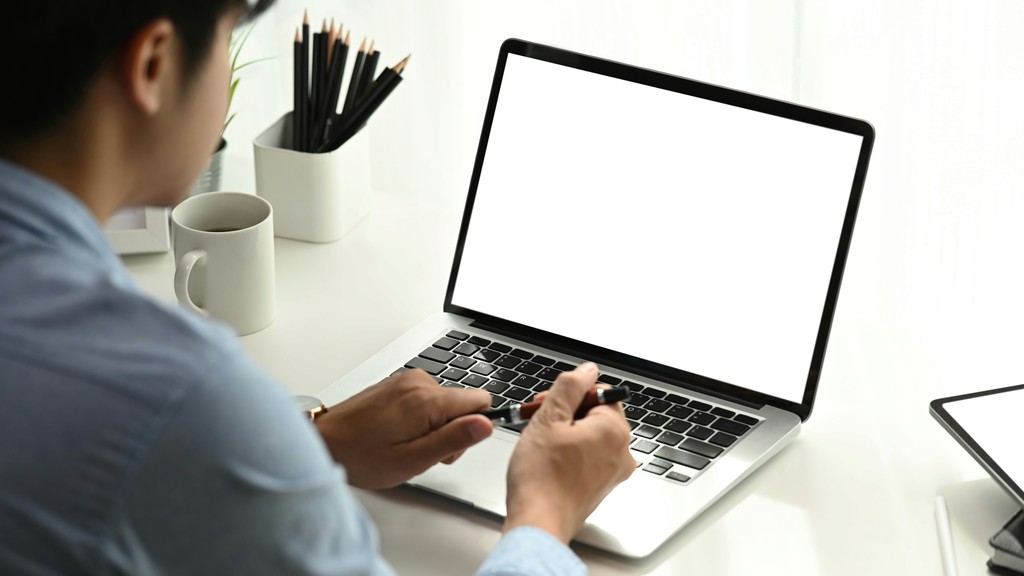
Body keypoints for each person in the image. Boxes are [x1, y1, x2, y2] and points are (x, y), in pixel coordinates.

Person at [0, 1, 635, 574]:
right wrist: (547, 513)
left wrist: (303, 444)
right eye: (227, 37)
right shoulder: (177, 395)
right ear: (154, 64)